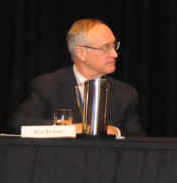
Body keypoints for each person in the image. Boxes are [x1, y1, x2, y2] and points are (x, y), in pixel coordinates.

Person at [10, 19, 145, 137]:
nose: (114, 54)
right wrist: (73, 129)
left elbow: (138, 141)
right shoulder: (48, 86)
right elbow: (20, 124)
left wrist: (116, 131)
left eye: (114, 46)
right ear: (81, 53)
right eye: (106, 47)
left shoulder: (126, 94)